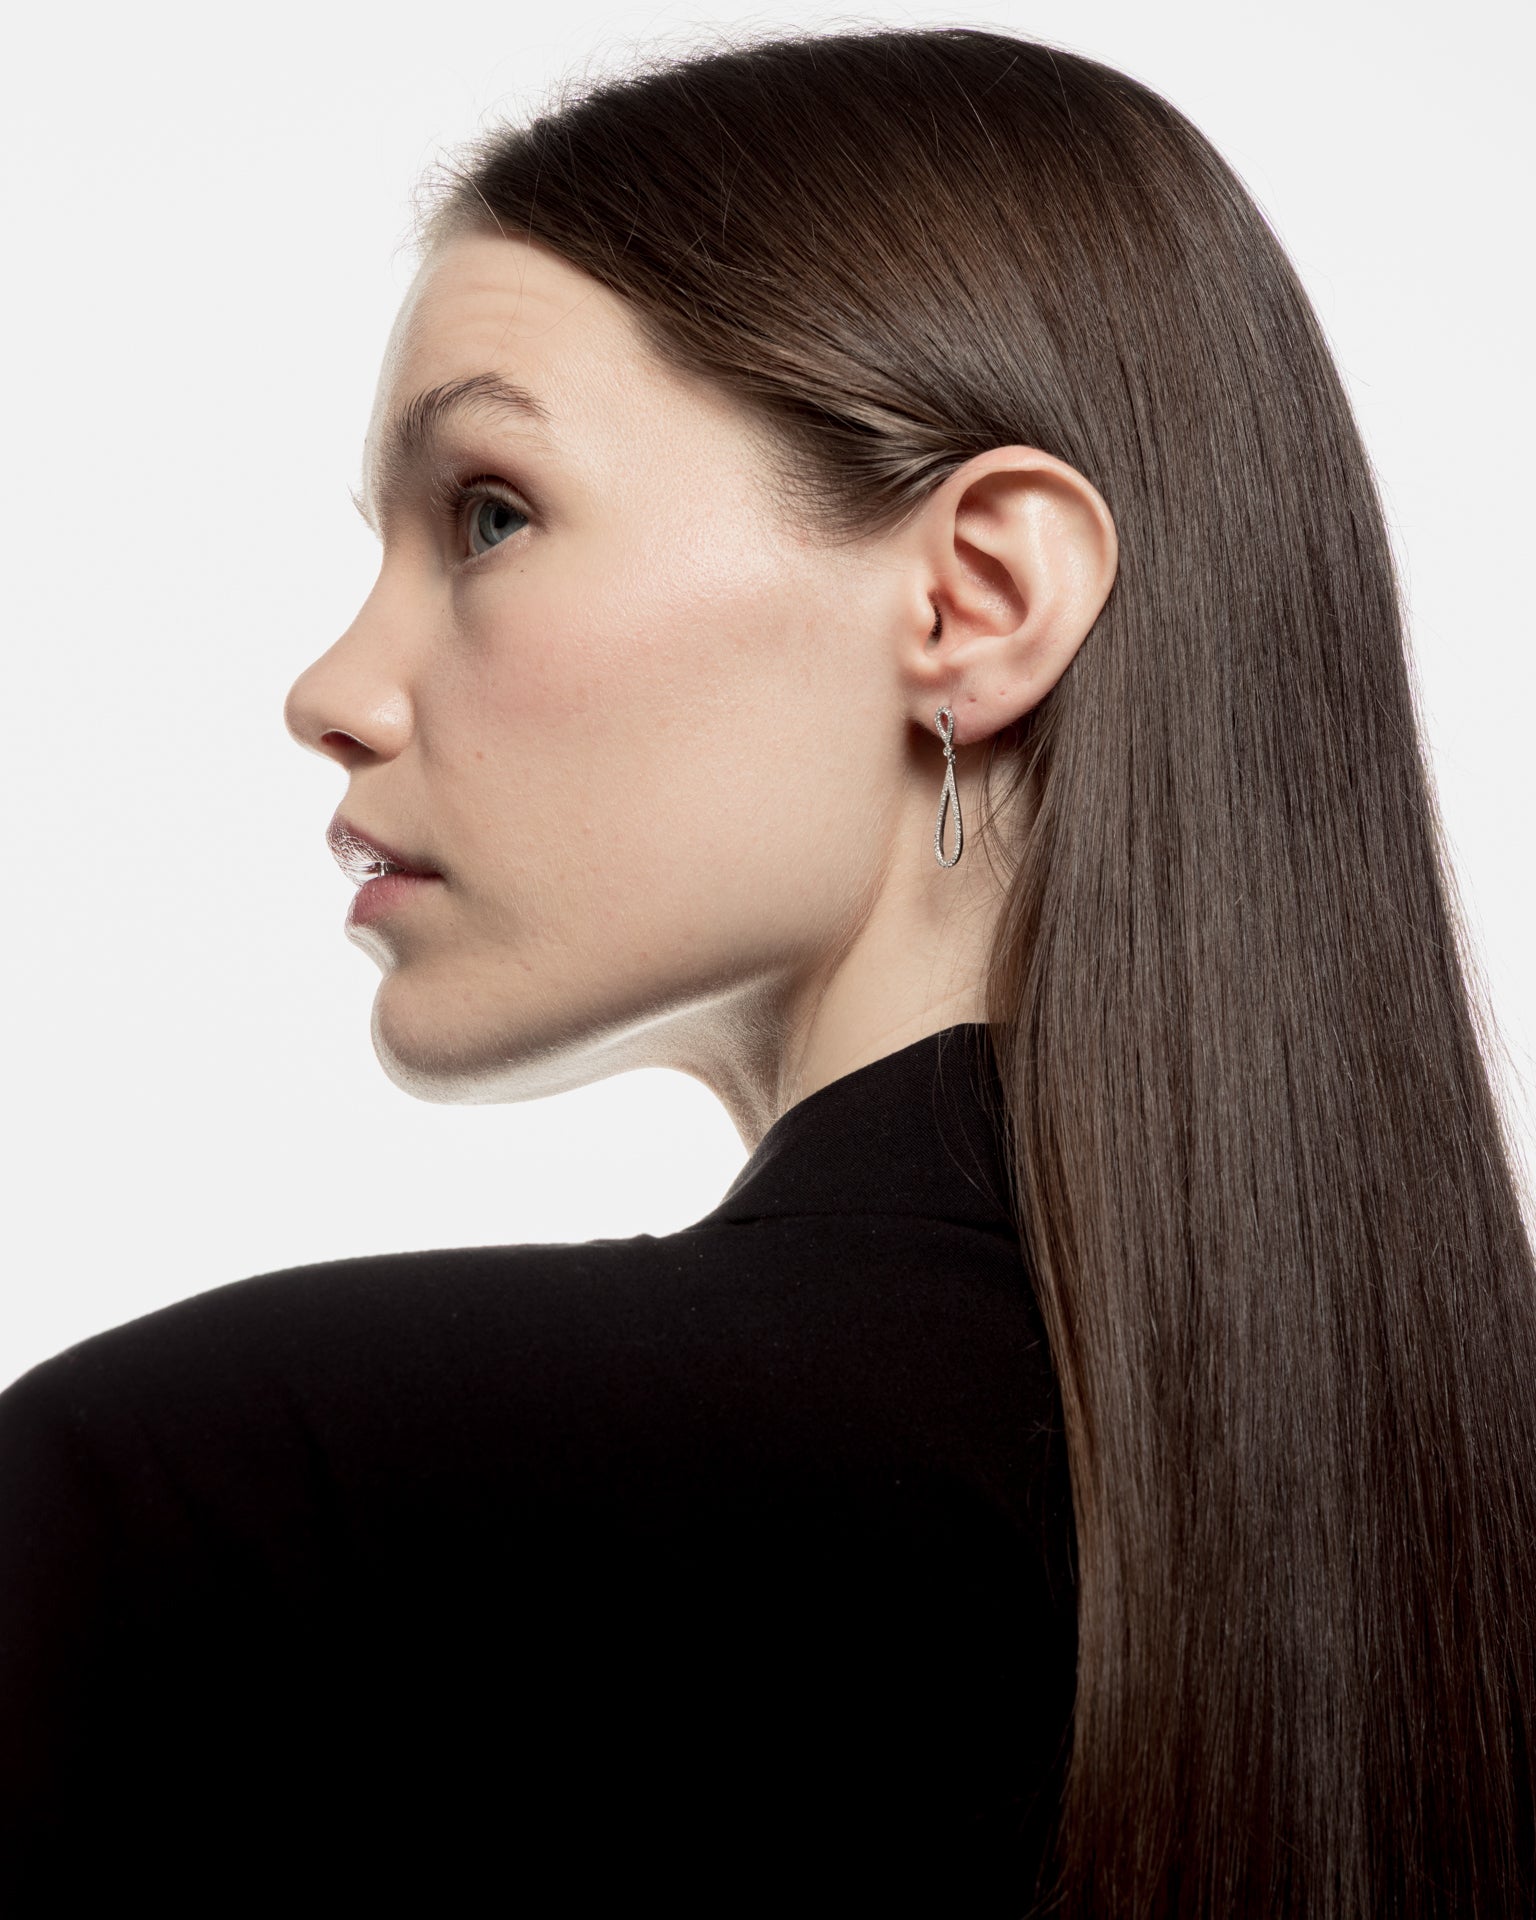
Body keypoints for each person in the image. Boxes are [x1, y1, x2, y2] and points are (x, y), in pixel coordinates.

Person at [2, 22, 1533, 1917]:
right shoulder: (1442, 1589)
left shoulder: (230, 1512)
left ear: (976, 597)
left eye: (490, 513)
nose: (332, 691)